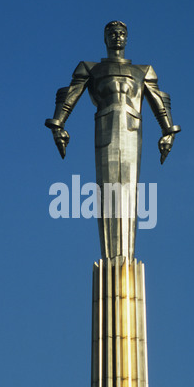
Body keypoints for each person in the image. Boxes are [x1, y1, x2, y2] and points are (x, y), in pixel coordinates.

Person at [45, 21, 181, 263]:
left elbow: (159, 103)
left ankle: (127, 257)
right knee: (108, 190)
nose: (117, 37)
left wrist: (167, 131)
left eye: (121, 34)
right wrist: (59, 123)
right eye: (112, 34)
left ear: (126, 39)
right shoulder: (90, 69)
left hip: (132, 129)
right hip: (105, 127)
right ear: (105, 39)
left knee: (129, 189)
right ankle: (111, 258)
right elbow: (70, 96)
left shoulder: (143, 71)